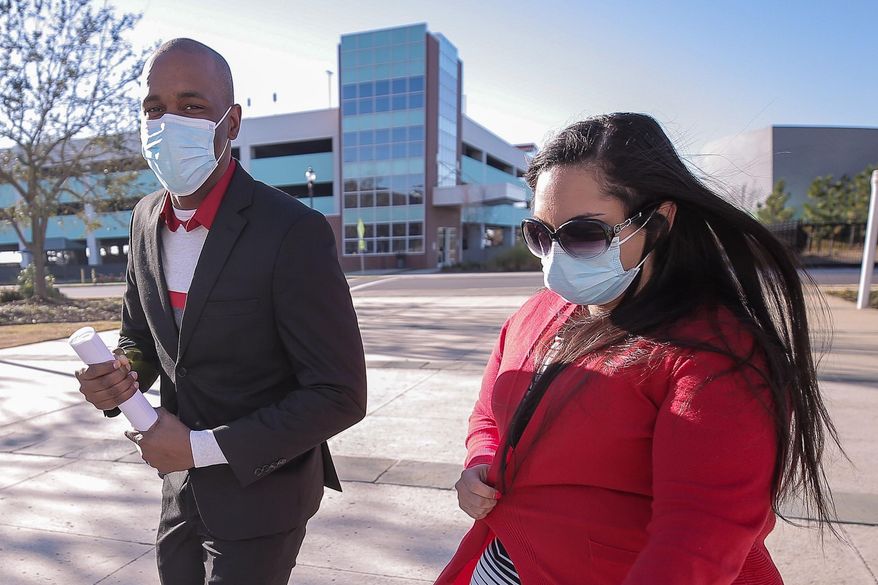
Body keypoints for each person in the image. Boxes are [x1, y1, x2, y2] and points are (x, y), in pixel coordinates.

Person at [435, 113, 840, 585]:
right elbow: (489, 413)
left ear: (658, 222)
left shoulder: (715, 356)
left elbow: (699, 535)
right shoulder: (534, 315)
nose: (556, 258)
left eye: (583, 234)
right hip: (503, 561)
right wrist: (480, 463)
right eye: (541, 235)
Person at [74, 39, 367, 584]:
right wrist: (119, 374)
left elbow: (339, 394)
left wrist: (197, 447)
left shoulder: (292, 232)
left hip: (263, 495)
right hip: (178, 491)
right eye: (154, 108)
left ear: (231, 123)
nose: (168, 122)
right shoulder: (143, 219)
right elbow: (141, 334)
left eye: (191, 106)